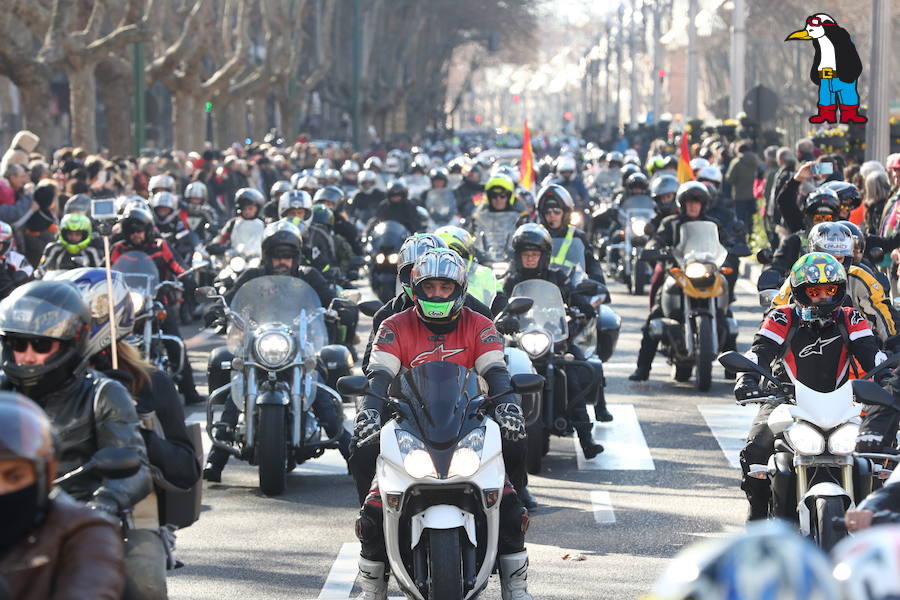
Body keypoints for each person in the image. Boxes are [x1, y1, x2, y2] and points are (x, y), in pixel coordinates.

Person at [353, 248, 534, 600]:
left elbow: (495, 371)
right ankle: (372, 588)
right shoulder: (393, 326)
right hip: (406, 425)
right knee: (371, 509)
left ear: (459, 289)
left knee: (512, 506)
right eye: (429, 287)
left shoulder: (480, 325)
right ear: (415, 289)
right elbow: (379, 375)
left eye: (445, 287)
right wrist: (369, 411)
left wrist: (510, 406)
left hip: (470, 423)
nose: (437, 294)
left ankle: (516, 587)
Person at [0, 280, 154, 596]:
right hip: (9, 513)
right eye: (18, 343)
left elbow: (135, 465)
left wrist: (104, 504)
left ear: (73, 341)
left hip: (79, 515)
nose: (27, 356)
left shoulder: (103, 394)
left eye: (42, 346)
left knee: (144, 579)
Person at [735, 253, 891, 520]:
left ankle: (876, 520)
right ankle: (759, 517)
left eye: (829, 290)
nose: (822, 297)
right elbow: (759, 352)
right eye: (814, 290)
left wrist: (888, 381)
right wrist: (746, 378)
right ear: (799, 291)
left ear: (839, 290)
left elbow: (873, 356)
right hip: (785, 400)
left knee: (878, 455)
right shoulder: (782, 317)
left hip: (843, 402)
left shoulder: (851, 318)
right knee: (755, 450)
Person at [202, 221, 351, 482]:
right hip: (260, 343)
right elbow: (233, 298)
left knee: (316, 387)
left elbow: (329, 298)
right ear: (267, 257)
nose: (282, 262)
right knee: (239, 385)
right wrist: (219, 309)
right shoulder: (252, 276)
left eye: (288, 256)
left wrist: (341, 308)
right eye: (277, 256)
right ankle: (216, 459)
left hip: (299, 345)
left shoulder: (308, 276)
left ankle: (352, 455)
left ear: (296, 257)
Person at [0, 393, 126, 600]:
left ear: (46, 473)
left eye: (14, 477)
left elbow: (92, 589)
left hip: (92, 498)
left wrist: (109, 500)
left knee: (146, 576)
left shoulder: (84, 531)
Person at [504, 224, 610, 442]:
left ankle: (586, 436)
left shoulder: (557, 277)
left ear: (544, 256)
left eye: (535, 254)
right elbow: (500, 305)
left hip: (555, 339)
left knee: (577, 371)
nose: (531, 259)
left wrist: (585, 306)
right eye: (526, 255)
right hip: (520, 342)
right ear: (518, 256)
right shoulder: (511, 281)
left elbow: (572, 296)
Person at [630, 182, 730, 381]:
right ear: (683, 204)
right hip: (679, 275)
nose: (693, 206)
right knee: (655, 316)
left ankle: (733, 369)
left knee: (725, 313)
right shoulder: (671, 223)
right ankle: (643, 368)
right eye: (690, 202)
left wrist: (734, 246)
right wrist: (654, 247)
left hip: (707, 274)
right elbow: (657, 239)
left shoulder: (712, 224)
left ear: (703, 205)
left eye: (697, 202)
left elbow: (724, 242)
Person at [110, 205, 204, 406]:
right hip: (128, 304)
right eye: (132, 231)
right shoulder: (119, 249)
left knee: (174, 341)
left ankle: (189, 390)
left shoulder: (160, 246)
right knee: (110, 339)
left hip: (158, 301)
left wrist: (188, 280)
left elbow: (178, 266)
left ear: (148, 230)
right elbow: (108, 272)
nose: (136, 235)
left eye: (140, 230)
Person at [769, 222, 897, 345]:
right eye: (828, 257)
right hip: (803, 351)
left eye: (839, 259)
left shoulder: (859, 277)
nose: (833, 264)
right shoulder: (798, 276)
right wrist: (763, 348)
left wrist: (893, 342)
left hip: (855, 352)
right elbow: (776, 312)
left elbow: (882, 310)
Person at [537, 184, 604, 282]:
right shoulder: (537, 236)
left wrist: (598, 285)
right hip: (541, 288)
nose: (552, 215)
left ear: (565, 213)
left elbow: (592, 266)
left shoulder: (578, 237)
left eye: (557, 211)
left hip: (571, 289)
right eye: (547, 212)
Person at [35, 213, 103, 277]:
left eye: (77, 234)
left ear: (84, 235)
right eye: (70, 234)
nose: (73, 237)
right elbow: (41, 271)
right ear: (64, 234)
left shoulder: (91, 252)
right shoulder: (53, 249)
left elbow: (100, 274)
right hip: (58, 287)